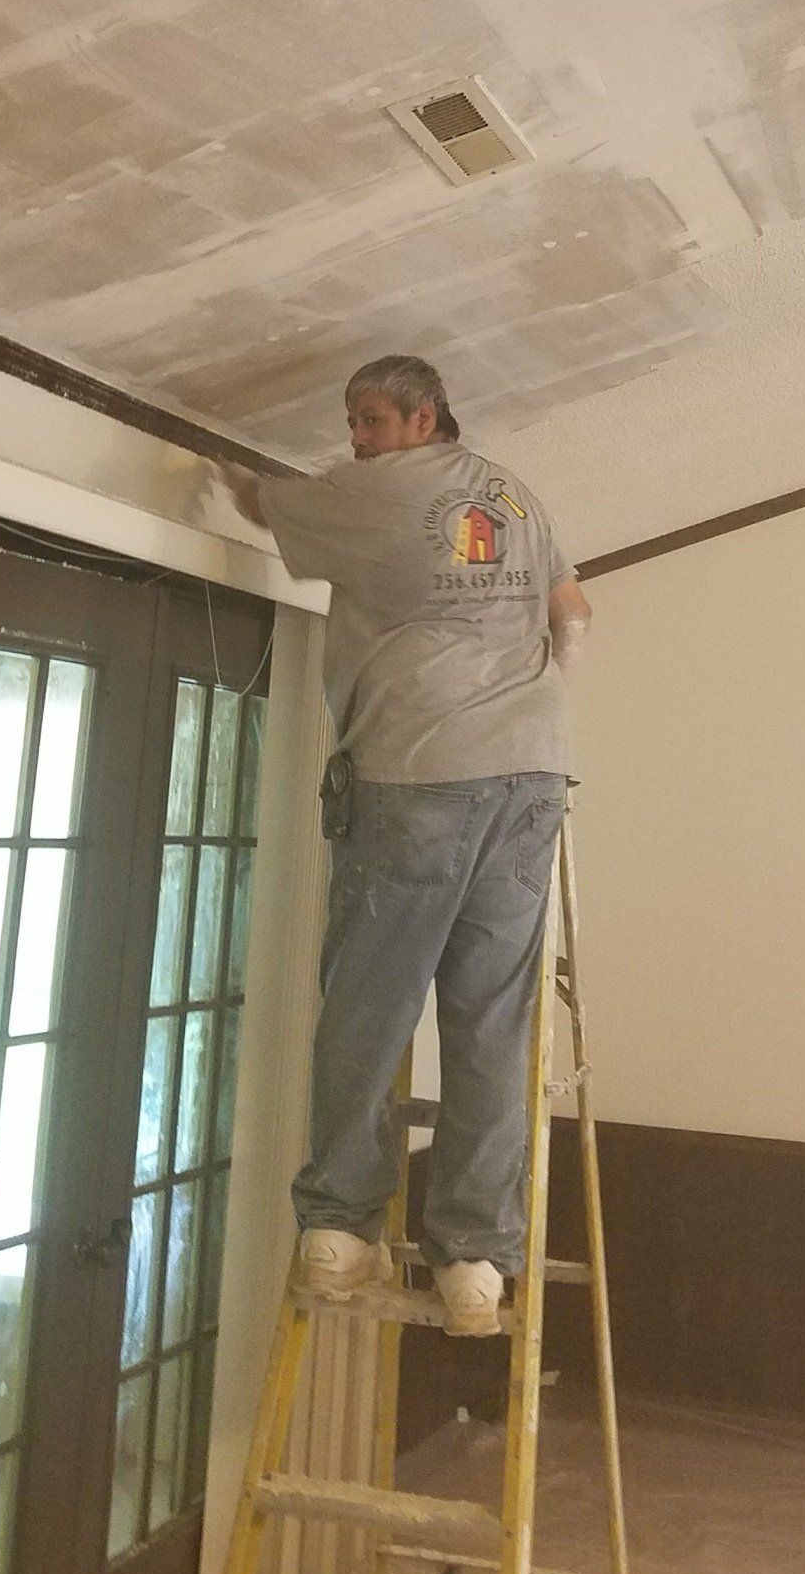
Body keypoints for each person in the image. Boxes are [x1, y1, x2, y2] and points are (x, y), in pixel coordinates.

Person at [220, 354, 592, 1336]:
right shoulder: (518, 495)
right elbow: (576, 616)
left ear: (426, 417)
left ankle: (340, 1229)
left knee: (368, 1004)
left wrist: (225, 474)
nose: (357, 437)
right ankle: (476, 1262)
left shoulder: (376, 491)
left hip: (418, 771)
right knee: (491, 1021)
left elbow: (270, 509)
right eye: (353, 420)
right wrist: (527, 701)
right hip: (532, 779)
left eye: (373, 417)